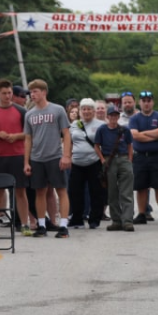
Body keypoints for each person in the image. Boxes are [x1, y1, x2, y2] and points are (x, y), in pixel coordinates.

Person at [23, 79, 72, 238]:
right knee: (40, 191)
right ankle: (42, 225)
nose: (33, 95)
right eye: (31, 92)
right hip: (37, 158)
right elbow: (28, 139)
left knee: (61, 190)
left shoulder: (57, 110)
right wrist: (26, 162)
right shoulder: (29, 114)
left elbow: (66, 133)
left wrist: (66, 155)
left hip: (55, 156)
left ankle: (63, 225)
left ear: (44, 92)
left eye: (36, 91)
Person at [0, 80, 32, 233]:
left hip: (18, 155)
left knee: (20, 191)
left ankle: (25, 224)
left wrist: (16, 136)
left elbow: (29, 134)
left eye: (10, 93)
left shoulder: (21, 111)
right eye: (4, 93)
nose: (7, 96)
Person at [129, 90, 158, 225]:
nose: (146, 103)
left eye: (149, 101)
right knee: (141, 187)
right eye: (144, 101)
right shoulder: (134, 118)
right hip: (140, 157)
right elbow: (135, 135)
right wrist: (153, 134)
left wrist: (144, 134)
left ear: (152, 102)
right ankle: (141, 213)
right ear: (139, 102)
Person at [95, 105, 135, 231]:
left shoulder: (124, 130)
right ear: (107, 117)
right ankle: (116, 220)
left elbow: (129, 145)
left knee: (126, 192)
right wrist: (102, 159)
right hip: (109, 160)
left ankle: (127, 220)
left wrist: (129, 159)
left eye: (116, 115)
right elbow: (96, 145)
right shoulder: (102, 129)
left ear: (118, 117)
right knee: (112, 191)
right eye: (111, 115)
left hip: (123, 159)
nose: (113, 117)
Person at [67, 98, 105, 229]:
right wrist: (67, 156)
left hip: (94, 162)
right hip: (76, 163)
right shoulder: (74, 124)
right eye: (84, 109)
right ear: (80, 111)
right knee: (74, 191)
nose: (86, 111)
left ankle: (94, 219)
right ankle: (77, 219)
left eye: (89, 109)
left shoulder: (100, 125)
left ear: (93, 111)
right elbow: (69, 142)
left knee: (96, 192)